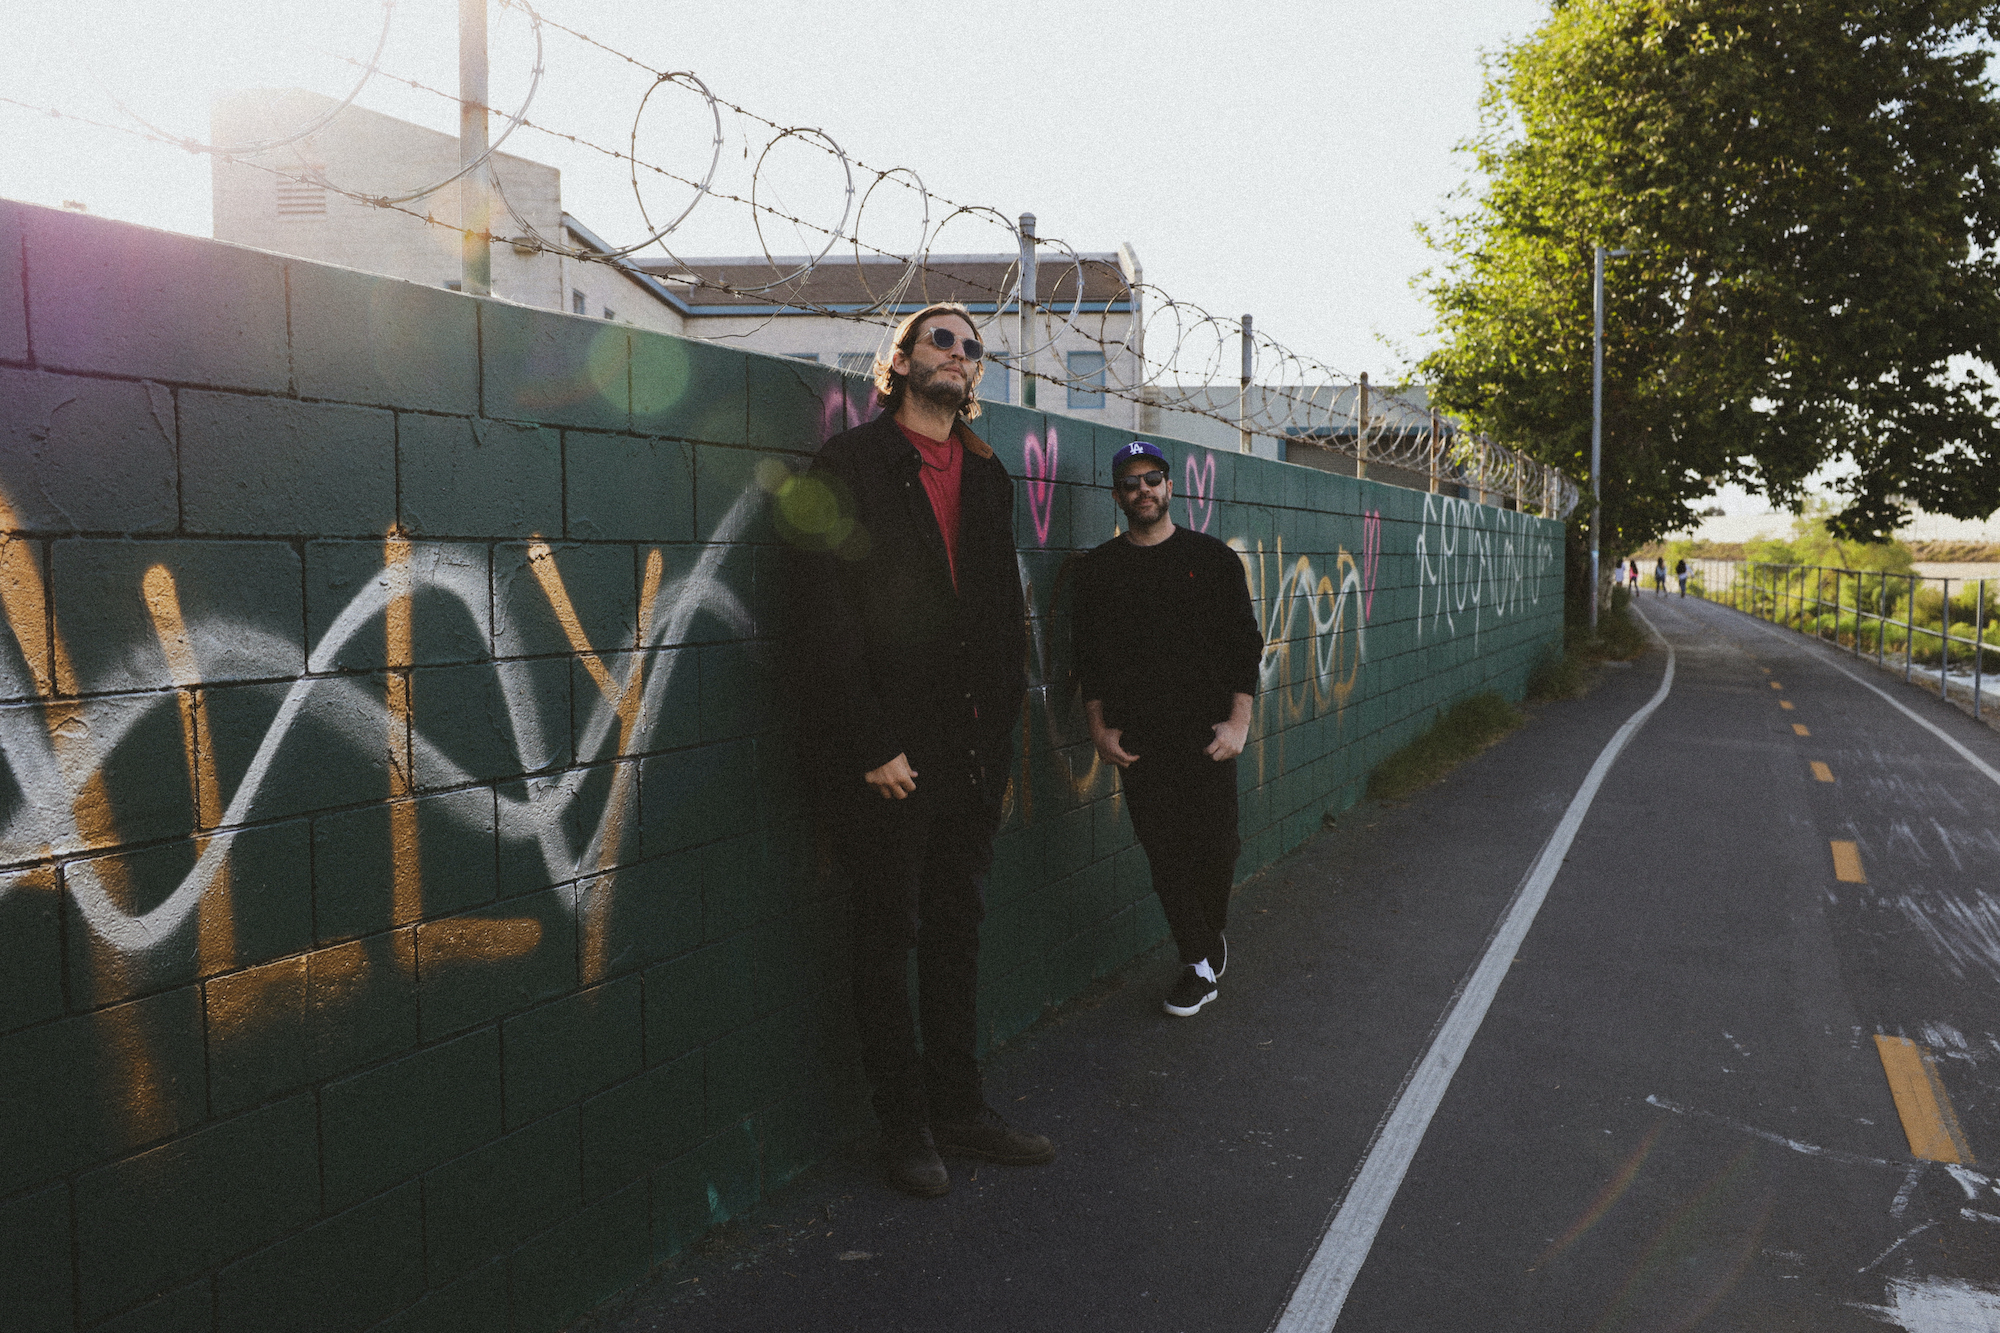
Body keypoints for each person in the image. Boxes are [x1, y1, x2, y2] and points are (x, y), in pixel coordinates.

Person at [783, 302, 1052, 1197]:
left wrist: (999, 729)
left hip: (970, 749)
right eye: (942, 339)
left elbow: (1000, 612)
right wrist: (870, 742)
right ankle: (904, 1128)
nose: (960, 355)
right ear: (899, 361)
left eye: (973, 349)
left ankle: (961, 1108)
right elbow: (821, 612)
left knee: (956, 931)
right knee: (886, 934)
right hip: (891, 755)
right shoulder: (852, 462)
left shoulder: (987, 474)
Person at [1071, 442, 1264, 1018]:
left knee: (1218, 847)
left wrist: (1239, 721)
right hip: (1140, 738)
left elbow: (1244, 646)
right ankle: (1197, 963)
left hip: (1207, 732)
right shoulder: (1099, 571)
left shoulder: (1212, 559)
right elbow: (1089, 660)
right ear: (1117, 496)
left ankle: (1207, 938)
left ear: (1170, 487)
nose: (1144, 490)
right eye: (1131, 483)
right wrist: (1099, 730)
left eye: (1153, 478)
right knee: (1166, 852)